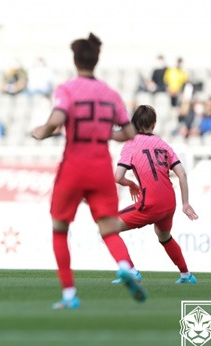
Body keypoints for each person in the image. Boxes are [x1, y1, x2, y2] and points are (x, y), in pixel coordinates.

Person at [30, 33, 147, 310]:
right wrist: (108, 132)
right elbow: (129, 132)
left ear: (75, 60)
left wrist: (41, 132)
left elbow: (57, 119)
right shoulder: (111, 94)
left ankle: (70, 295)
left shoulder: (67, 89)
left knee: (60, 229)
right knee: (108, 227)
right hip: (101, 166)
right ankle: (124, 266)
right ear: (96, 60)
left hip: (74, 164)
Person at [111, 105, 199, 285]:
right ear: (154, 124)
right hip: (169, 203)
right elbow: (182, 173)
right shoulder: (163, 144)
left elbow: (118, 177)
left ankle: (131, 272)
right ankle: (186, 275)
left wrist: (131, 184)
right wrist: (186, 203)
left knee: (108, 226)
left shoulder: (131, 143)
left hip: (150, 203)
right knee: (164, 235)